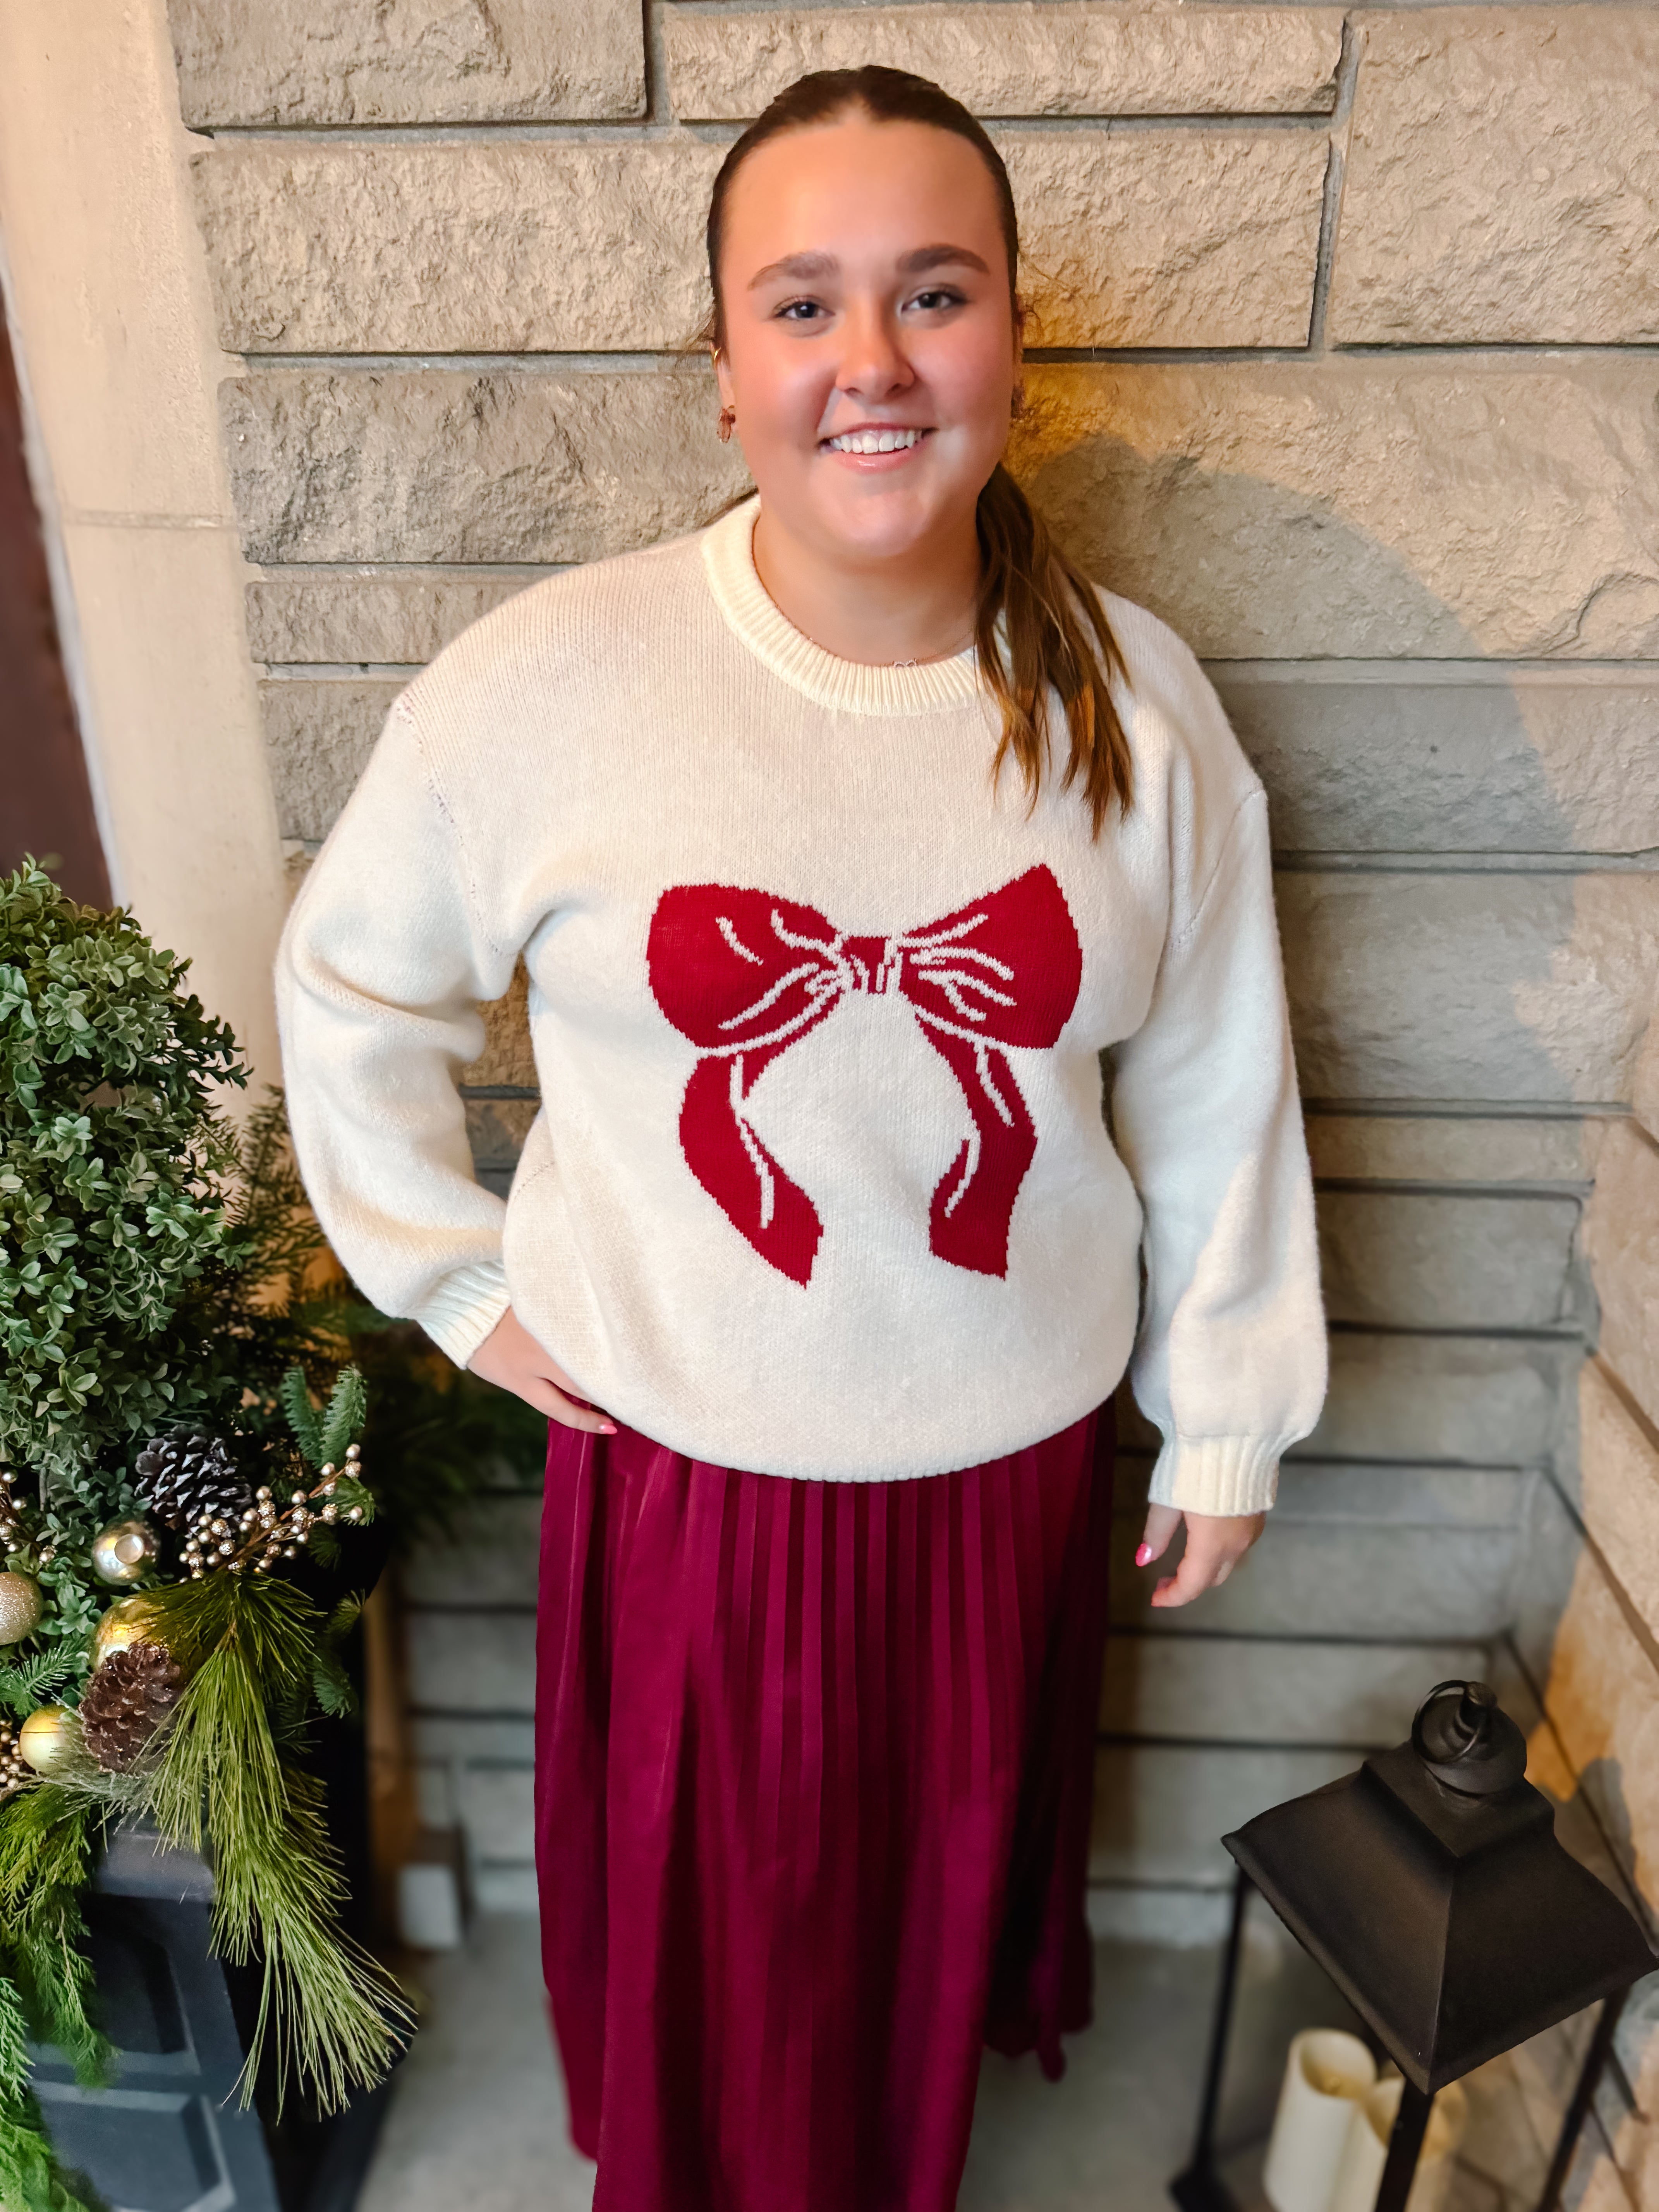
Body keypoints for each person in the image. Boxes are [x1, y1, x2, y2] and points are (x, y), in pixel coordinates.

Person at [276, 64, 1326, 2212]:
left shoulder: (1135, 706)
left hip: (1002, 1480)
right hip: (692, 1492)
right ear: (726, 364)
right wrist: (452, 1275)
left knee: (911, 1956)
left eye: (932, 294)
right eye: (803, 303)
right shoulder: (549, 686)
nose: (872, 361)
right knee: (729, 1983)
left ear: (1014, 339)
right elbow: (353, 986)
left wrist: (1222, 1412)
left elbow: (1222, 1068)